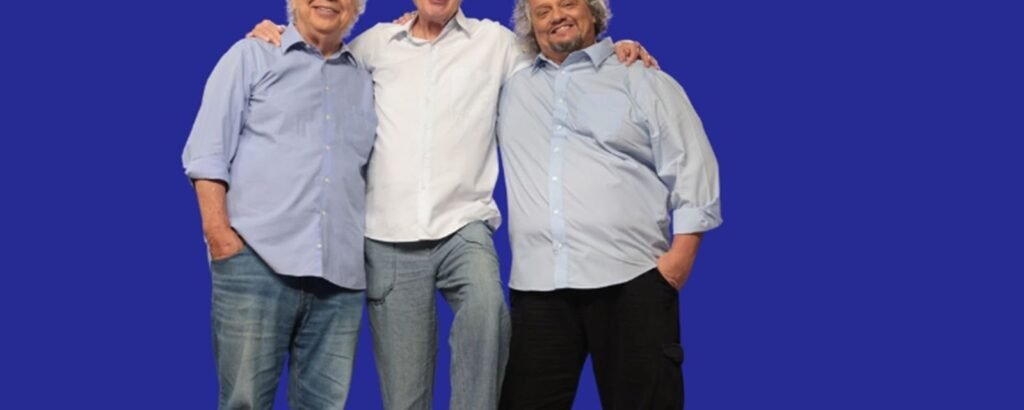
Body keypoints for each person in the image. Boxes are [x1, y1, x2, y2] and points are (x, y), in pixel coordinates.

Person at [245, 1, 656, 408]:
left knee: (487, 312)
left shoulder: (495, 43)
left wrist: (612, 50)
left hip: (464, 225)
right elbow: (323, 61)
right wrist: (280, 34)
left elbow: (558, 57)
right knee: (405, 398)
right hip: (389, 236)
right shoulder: (377, 45)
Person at [495, 0, 722, 408]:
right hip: (539, 288)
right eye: (542, 11)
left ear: (594, 11)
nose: (557, 15)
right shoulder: (511, 87)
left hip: (632, 280)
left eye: (568, 3)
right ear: (530, 26)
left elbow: (693, 165)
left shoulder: (641, 78)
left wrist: (677, 263)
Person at [181, 0, 376, 408]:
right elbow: (207, 153)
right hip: (256, 266)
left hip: (339, 280)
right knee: (245, 403)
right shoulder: (250, 56)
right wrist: (221, 240)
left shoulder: (366, 78)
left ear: (357, 7)